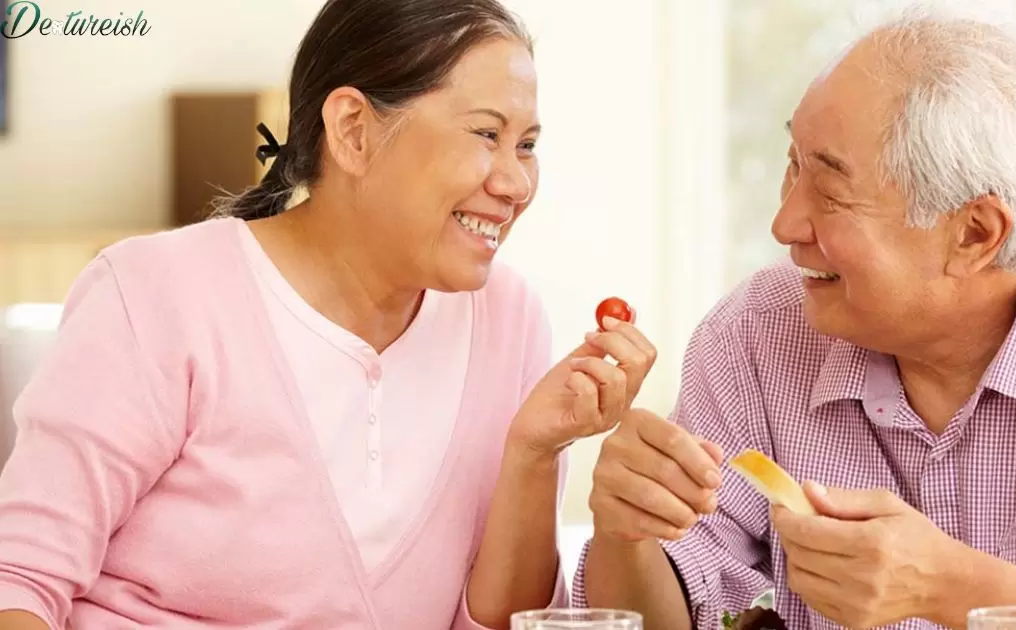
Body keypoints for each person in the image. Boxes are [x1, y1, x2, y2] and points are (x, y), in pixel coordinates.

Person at [574, 6, 1016, 630]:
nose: (785, 223)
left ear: (975, 234)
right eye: (792, 166)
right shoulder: (756, 335)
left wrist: (949, 587)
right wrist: (624, 531)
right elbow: (662, 613)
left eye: (831, 191)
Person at [0, 1, 659, 628]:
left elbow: (503, 625)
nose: (516, 184)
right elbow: (18, 582)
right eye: (487, 134)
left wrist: (535, 453)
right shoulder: (155, 294)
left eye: (527, 145)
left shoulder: (509, 318)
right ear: (353, 130)